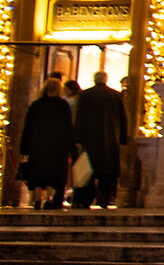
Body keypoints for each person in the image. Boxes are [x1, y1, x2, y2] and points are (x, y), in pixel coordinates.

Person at [71, 70, 128, 208]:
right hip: (110, 140)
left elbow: (79, 119)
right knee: (107, 173)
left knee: (86, 171)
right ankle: (104, 199)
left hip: (89, 140)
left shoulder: (85, 95)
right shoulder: (115, 96)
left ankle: (84, 200)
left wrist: (78, 138)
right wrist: (122, 138)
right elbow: (123, 118)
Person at [15, 77, 74, 208]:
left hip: (37, 145)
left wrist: (24, 148)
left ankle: (37, 198)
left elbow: (28, 127)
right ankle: (49, 198)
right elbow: (68, 127)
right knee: (53, 174)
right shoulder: (63, 105)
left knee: (37, 173)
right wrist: (69, 146)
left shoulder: (36, 105)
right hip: (56, 147)